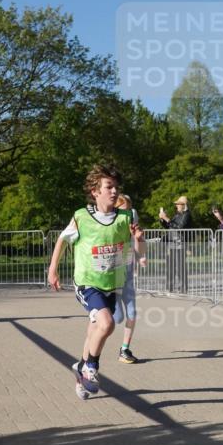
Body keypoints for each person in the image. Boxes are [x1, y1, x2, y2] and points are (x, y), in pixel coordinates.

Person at [47, 165, 144, 399]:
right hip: (87, 283)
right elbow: (62, 240)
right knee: (107, 323)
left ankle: (80, 368)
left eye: (116, 187)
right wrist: (53, 269)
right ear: (95, 191)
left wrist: (139, 240)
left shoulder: (126, 217)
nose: (114, 191)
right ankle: (91, 367)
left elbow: (139, 253)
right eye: (109, 187)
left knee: (95, 329)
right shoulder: (82, 217)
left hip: (112, 284)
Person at [114, 194, 147, 364]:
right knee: (117, 318)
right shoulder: (109, 227)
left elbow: (139, 246)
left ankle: (124, 349)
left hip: (127, 275)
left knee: (132, 313)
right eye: (123, 211)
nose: (127, 215)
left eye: (129, 211)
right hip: (111, 278)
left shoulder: (132, 223)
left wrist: (141, 255)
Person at [158, 196, 192, 293]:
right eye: (177, 204)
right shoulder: (177, 215)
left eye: (178, 204)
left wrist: (167, 218)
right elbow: (169, 226)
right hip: (172, 242)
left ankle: (183, 288)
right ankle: (170, 287)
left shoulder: (187, 215)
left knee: (180, 266)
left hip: (181, 243)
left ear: (184, 205)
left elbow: (180, 227)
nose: (176, 205)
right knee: (170, 266)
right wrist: (162, 219)